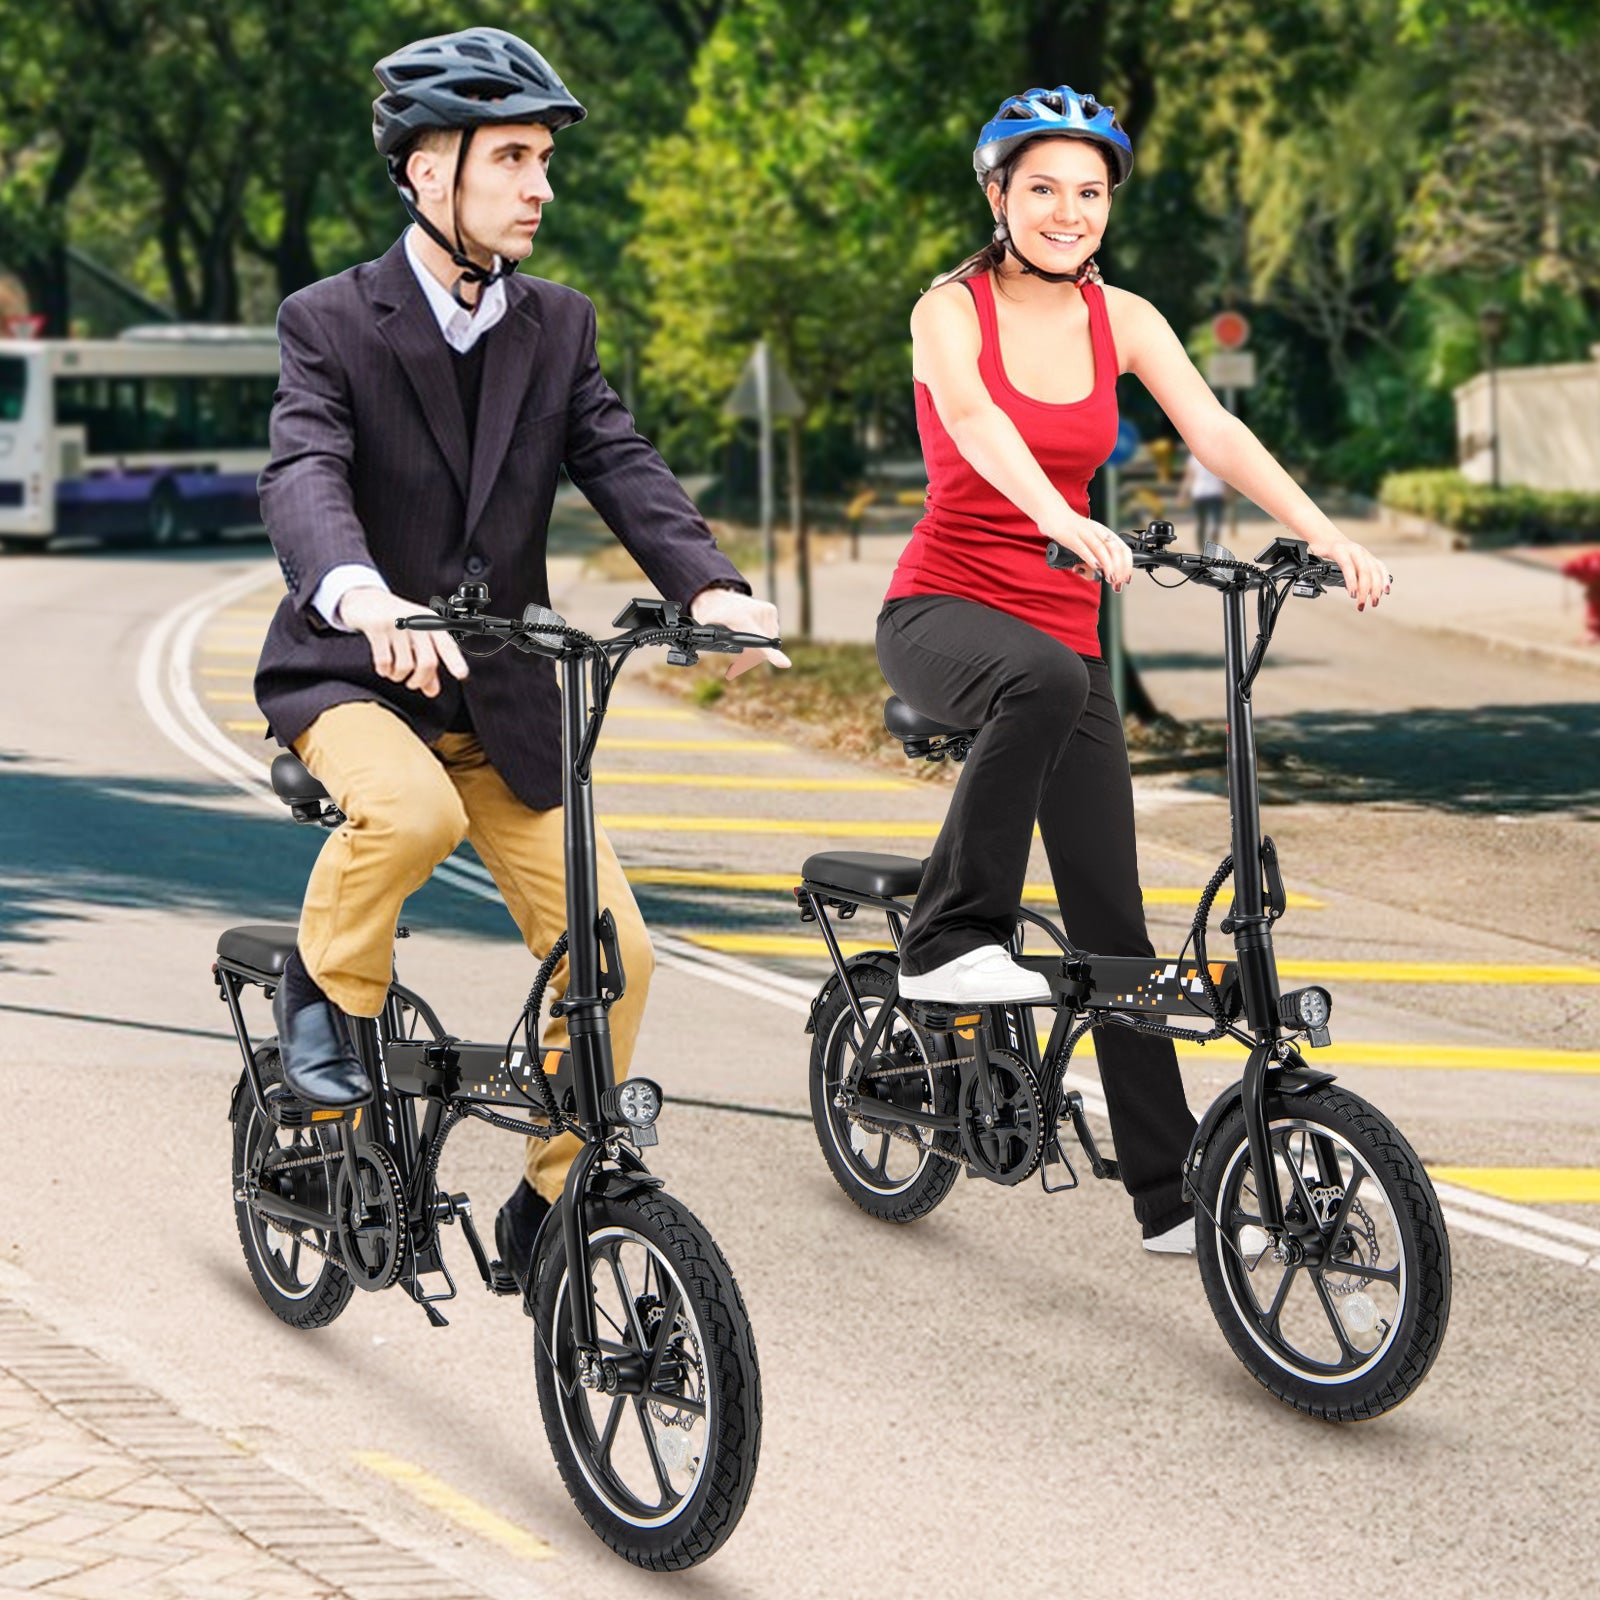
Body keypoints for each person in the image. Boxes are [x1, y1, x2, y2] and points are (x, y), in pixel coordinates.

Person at [253, 27, 785, 1287]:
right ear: (427, 172)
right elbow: (304, 471)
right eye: (513, 158)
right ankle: (321, 995)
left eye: (545, 159)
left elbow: (620, 461)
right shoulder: (329, 320)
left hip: (499, 693)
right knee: (409, 815)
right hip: (354, 674)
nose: (540, 185)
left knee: (618, 958)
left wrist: (707, 587)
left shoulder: (558, 325)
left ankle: (552, 1204)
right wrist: (364, 593)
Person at [877, 87, 1389, 1252]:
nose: (1068, 211)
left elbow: (1215, 431)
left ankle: (1167, 1198)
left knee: (1117, 926)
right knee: (1046, 682)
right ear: (998, 195)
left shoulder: (1128, 319)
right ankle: (953, 937)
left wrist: (1325, 533)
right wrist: (1059, 512)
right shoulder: (948, 309)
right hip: (941, 609)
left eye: (1089, 192)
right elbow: (972, 418)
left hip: (1059, 641)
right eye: (1042, 187)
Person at [1178, 448, 1227, 548]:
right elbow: (1225, 476)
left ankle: (1201, 547)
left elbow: (1189, 477)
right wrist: (1228, 491)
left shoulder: (1193, 457)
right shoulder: (1218, 457)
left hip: (1199, 492)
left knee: (1201, 522)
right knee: (1216, 521)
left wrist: (1183, 495)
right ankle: (1214, 544)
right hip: (1215, 491)